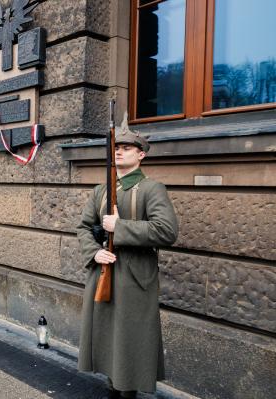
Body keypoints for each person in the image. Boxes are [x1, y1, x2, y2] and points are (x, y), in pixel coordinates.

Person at [76, 123, 179, 398]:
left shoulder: (151, 189)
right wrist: (93, 252)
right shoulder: (100, 190)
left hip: (134, 278)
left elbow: (167, 231)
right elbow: (83, 228)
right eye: (116, 148)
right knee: (108, 338)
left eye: (126, 148)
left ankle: (126, 392)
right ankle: (112, 387)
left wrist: (119, 227)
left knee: (129, 340)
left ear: (141, 154)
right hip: (103, 271)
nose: (119, 152)